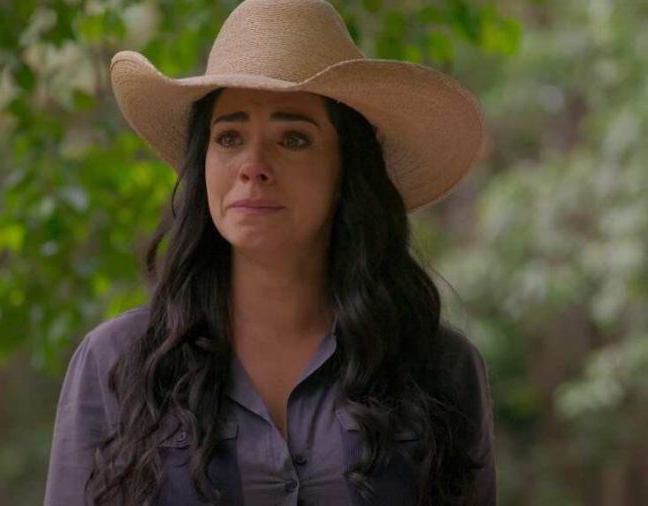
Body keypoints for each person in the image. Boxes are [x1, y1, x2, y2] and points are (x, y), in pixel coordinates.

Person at [43, 0, 495, 504]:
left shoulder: (439, 366)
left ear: (348, 168)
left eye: (293, 139)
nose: (252, 165)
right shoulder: (116, 363)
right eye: (229, 137)